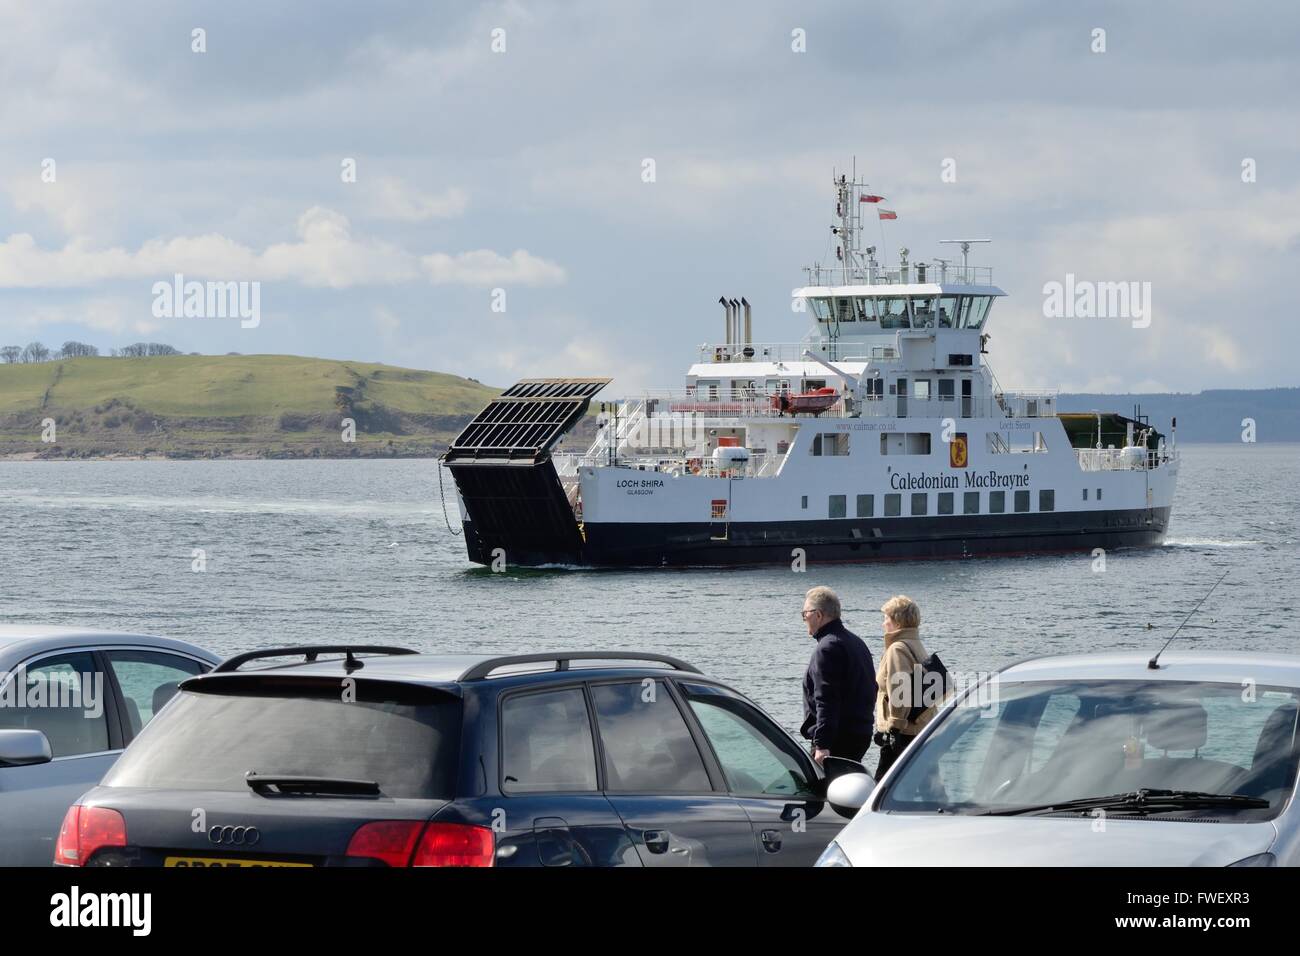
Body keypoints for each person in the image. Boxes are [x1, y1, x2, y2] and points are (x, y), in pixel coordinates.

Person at [799, 586, 877, 766]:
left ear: (818, 615)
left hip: (836, 741)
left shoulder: (827, 648)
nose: (804, 619)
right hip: (860, 735)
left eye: (805, 614)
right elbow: (872, 688)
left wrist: (822, 745)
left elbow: (826, 699)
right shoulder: (857, 642)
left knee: (825, 792)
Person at [874, 594, 939, 778]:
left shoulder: (897, 648)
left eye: (886, 618)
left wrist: (894, 727)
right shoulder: (915, 644)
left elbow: (899, 691)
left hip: (904, 732)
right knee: (928, 783)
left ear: (897, 622)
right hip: (921, 728)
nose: (883, 624)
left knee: (882, 789)